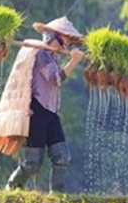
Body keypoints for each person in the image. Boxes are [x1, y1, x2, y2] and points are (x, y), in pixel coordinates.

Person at [5, 16, 85, 192]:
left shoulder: (53, 57)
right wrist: (73, 61)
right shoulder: (41, 54)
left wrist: (73, 60)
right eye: (66, 38)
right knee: (33, 163)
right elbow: (56, 79)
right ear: (55, 36)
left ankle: (57, 196)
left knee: (62, 157)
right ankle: (12, 188)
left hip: (52, 113)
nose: (68, 42)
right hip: (38, 111)